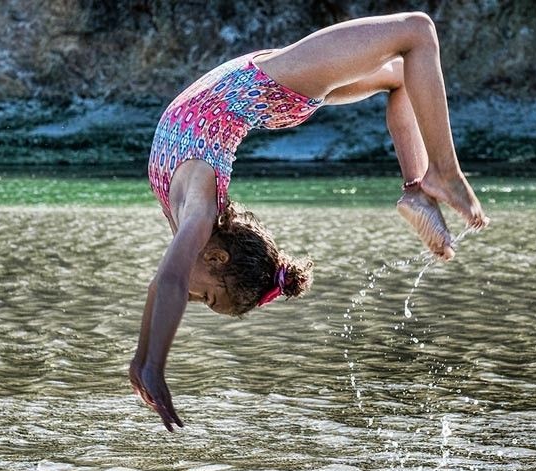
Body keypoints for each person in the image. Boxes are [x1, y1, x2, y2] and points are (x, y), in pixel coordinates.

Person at [129, 13, 489, 432]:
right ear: (219, 258)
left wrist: (144, 360)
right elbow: (169, 284)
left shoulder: (194, 219)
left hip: (267, 88)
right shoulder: (200, 215)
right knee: (414, 38)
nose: (190, 299)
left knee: (409, 55)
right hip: (271, 87)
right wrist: (152, 362)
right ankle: (430, 179)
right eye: (206, 298)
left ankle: (428, 181)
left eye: (204, 300)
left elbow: (164, 285)